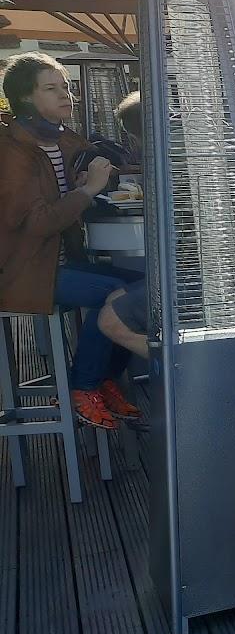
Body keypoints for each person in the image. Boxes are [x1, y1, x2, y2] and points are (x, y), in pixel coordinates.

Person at [0, 52, 141, 429]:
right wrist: (86, 192)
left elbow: (101, 171)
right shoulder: (12, 151)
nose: (66, 95)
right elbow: (37, 223)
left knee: (148, 289)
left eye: (65, 86)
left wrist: (95, 181)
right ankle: (85, 386)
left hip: (61, 263)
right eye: (52, 88)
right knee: (115, 293)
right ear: (27, 98)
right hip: (25, 272)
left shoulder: (63, 140)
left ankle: (104, 379)